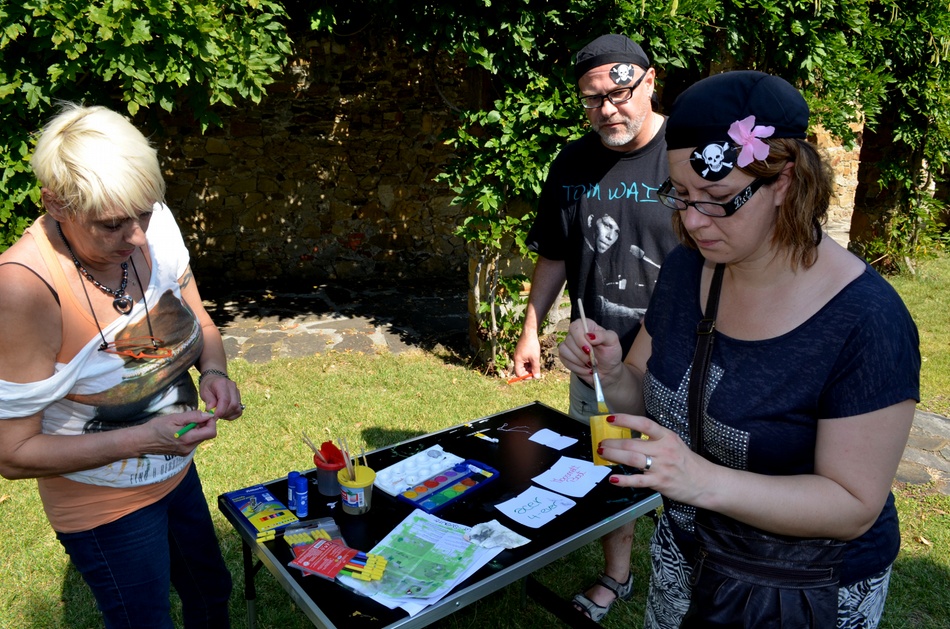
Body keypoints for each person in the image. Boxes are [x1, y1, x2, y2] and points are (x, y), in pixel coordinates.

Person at [559, 70, 920, 628]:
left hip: (802, 589)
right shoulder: (686, 270)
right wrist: (608, 372)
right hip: (686, 555)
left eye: (719, 198)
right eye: (680, 195)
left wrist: (699, 479)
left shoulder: (867, 320)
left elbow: (852, 505)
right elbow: (643, 394)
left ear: (785, 182)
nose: (692, 220)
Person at [0, 103, 244, 628]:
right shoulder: (23, 289)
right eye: (111, 224)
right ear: (56, 203)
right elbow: (13, 454)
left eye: (145, 213)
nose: (137, 238)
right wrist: (144, 439)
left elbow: (199, 321)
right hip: (101, 503)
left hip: (175, 472)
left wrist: (215, 372)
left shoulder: (150, 221)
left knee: (211, 594)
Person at [512, 33, 680, 621]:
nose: (606, 109)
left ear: (650, 81)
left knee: (688, 470)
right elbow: (555, 253)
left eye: (619, 92)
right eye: (592, 99)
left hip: (681, 359)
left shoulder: (685, 155)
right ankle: (618, 575)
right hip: (598, 358)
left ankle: (694, 573)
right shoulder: (573, 163)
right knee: (611, 468)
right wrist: (531, 329)